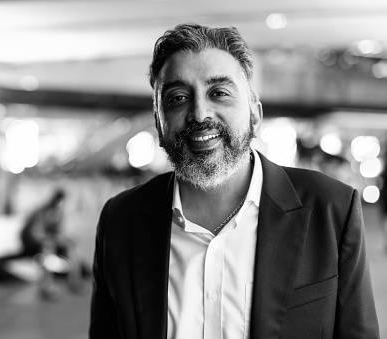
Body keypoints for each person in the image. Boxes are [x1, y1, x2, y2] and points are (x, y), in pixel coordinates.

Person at [89, 24, 379, 338]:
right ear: (159, 124)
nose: (200, 114)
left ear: (255, 115)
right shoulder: (120, 221)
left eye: (219, 93)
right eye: (177, 98)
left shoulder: (331, 209)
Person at [20, 189, 86, 300]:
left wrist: (66, 239)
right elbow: (35, 234)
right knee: (48, 246)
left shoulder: (59, 212)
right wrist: (50, 238)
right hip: (32, 242)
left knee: (70, 245)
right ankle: (48, 285)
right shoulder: (42, 212)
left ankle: (75, 279)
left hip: (49, 240)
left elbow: (58, 232)